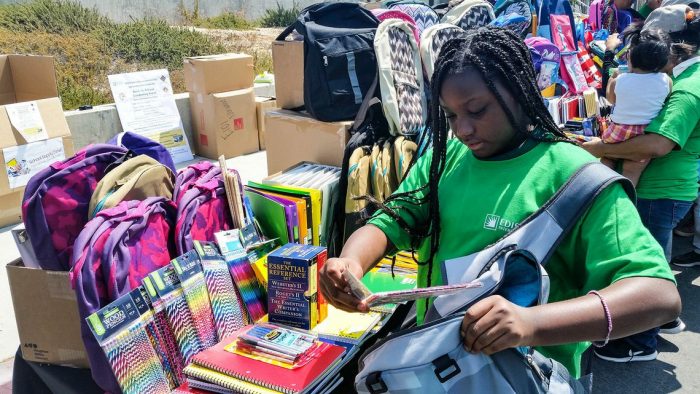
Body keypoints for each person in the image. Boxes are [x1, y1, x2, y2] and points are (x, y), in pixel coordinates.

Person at [319, 26, 680, 378]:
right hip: (438, 368)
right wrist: (350, 262)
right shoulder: (446, 158)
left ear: (522, 93)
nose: (463, 130)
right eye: (451, 115)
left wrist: (530, 324)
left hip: (526, 378)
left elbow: (658, 295)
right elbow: (393, 219)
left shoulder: (577, 177)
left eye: (477, 111)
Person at [582, 4, 700, 360]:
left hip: (660, 190)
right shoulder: (674, 80)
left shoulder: (686, 89)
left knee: (643, 265)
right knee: (655, 256)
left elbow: (657, 144)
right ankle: (664, 321)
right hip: (664, 188)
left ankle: (638, 342)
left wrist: (597, 147)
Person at [601, 28, 673, 186]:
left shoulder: (620, 79)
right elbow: (665, 99)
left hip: (618, 131)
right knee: (632, 171)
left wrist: (613, 78)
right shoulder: (666, 80)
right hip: (643, 136)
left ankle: (602, 189)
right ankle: (628, 200)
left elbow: (611, 99)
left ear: (631, 57)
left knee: (607, 158)